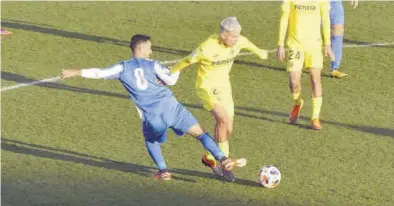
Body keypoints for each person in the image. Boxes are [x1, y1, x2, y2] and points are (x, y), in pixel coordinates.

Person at [61, 34, 246, 182]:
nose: (151, 50)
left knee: (151, 141)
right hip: (172, 108)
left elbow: (99, 73)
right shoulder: (154, 65)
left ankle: (164, 170)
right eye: (149, 47)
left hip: (153, 116)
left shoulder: (122, 68)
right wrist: (178, 69)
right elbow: (172, 80)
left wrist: (75, 72)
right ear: (140, 48)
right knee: (201, 134)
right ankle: (223, 159)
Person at [170, 17, 267, 175]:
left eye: (238, 36)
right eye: (233, 36)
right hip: (207, 88)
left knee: (228, 129)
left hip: (224, 88)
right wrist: (171, 72)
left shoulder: (238, 41)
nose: (237, 39)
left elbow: (246, 42)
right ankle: (224, 162)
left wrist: (260, 52)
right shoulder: (206, 48)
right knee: (222, 119)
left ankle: (210, 157)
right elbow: (188, 60)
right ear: (223, 34)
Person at [276, 0, 334, 130]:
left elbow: (325, 19)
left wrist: (328, 44)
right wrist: (280, 44)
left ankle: (315, 118)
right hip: (295, 45)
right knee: (294, 81)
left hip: (314, 45)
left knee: (315, 79)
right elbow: (284, 18)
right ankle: (297, 102)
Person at [329, 0, 359, 78]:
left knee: (338, 29)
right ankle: (298, 62)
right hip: (316, 3)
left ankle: (334, 68)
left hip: (335, 2)